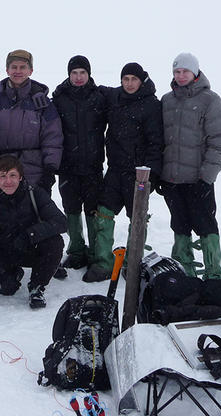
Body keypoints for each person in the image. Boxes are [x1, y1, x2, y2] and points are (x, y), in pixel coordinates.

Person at [83, 62, 164, 282]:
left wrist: (152, 174)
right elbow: (96, 89)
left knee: (137, 218)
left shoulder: (151, 104)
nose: (129, 84)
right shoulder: (115, 97)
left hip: (139, 173)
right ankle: (103, 263)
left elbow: (156, 142)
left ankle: (132, 263)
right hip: (115, 170)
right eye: (125, 79)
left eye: (133, 79)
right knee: (104, 213)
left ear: (141, 80)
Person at [159, 53, 221, 280]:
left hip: (199, 179)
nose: (180, 76)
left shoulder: (210, 100)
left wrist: (207, 177)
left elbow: (219, 141)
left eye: (185, 72)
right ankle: (183, 268)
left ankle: (213, 273)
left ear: (196, 72)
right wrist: (161, 174)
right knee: (179, 224)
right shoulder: (167, 101)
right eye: (177, 72)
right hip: (172, 179)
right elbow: (160, 140)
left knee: (206, 224)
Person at [0, 156, 67, 309]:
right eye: (3, 176)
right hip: (7, 252)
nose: (8, 181)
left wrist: (30, 235)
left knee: (55, 243)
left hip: (32, 248)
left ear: (20, 177)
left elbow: (60, 222)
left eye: (12, 175)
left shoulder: (35, 194)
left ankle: (36, 287)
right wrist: (1, 275)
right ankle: (12, 273)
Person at [52, 55, 107, 272]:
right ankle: (76, 250)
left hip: (93, 165)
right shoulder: (59, 97)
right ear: (68, 75)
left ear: (89, 74)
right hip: (68, 166)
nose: (78, 77)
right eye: (74, 73)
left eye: (82, 72)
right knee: (71, 209)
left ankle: (94, 252)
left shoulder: (99, 97)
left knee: (93, 209)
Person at [0, 49, 63, 193]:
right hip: (2, 174)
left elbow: (53, 138)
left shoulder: (42, 103)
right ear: (7, 70)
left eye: (23, 67)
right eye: (14, 67)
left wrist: (49, 170)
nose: (18, 71)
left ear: (31, 71)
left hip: (35, 174)